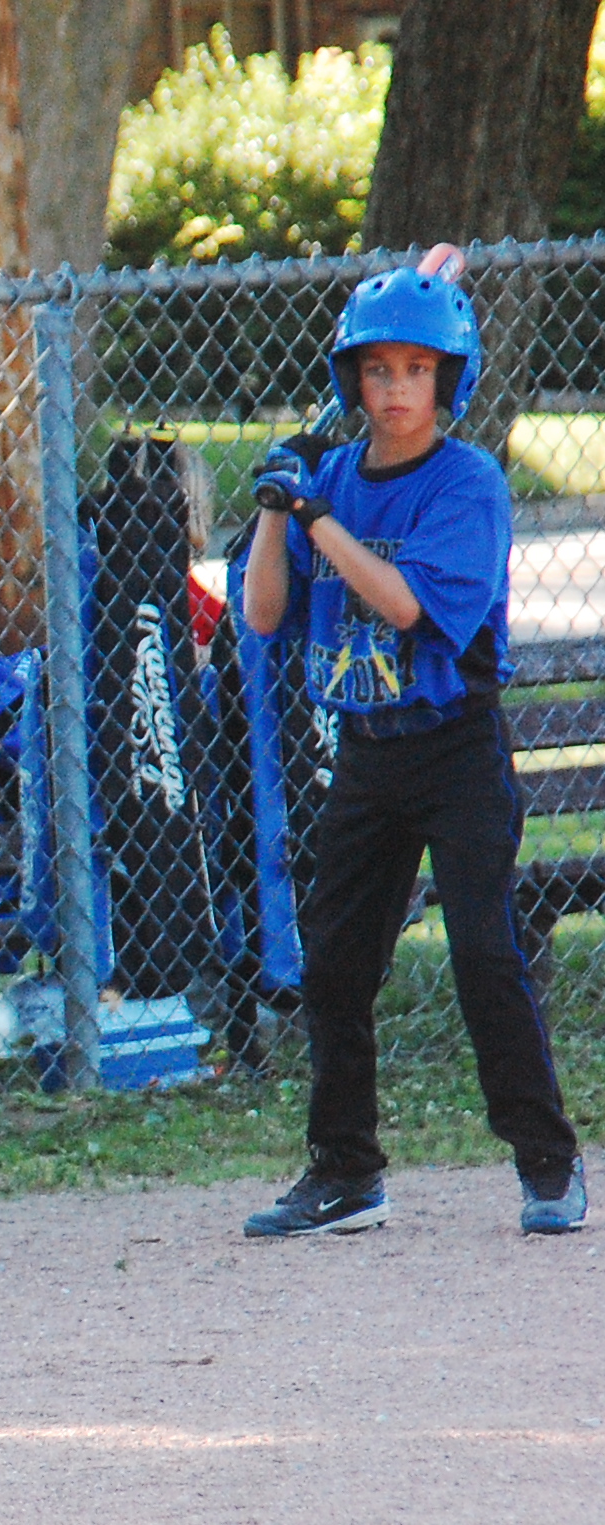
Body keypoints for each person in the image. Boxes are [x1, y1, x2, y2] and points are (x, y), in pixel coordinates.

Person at [239, 251, 584, 1239]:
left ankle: (547, 1162)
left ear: (447, 383)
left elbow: (400, 605)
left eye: (417, 370)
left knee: (484, 954)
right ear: (352, 380)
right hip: (367, 752)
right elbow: (262, 613)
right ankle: (345, 1172)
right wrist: (273, 509)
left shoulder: (467, 484)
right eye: (378, 369)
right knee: (335, 965)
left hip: (455, 749)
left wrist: (315, 517)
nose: (395, 388)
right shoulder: (330, 477)